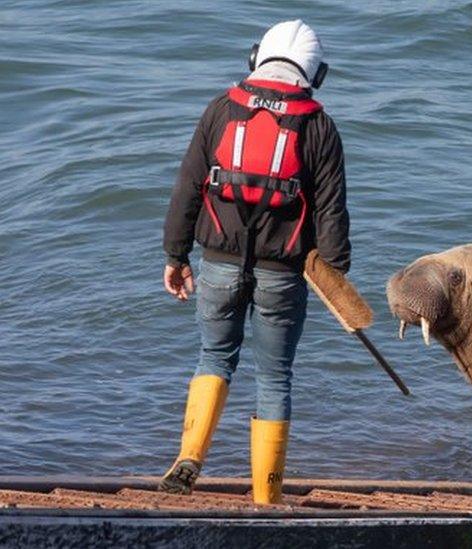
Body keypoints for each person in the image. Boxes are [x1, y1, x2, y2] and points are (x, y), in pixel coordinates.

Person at [159, 20, 350, 504]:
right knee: (274, 375)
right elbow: (331, 212)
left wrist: (176, 254)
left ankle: (189, 457)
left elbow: (187, 188)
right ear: (316, 74)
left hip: (219, 262)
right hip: (282, 274)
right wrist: (334, 271)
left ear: (255, 58)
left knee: (214, 356)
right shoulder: (319, 127)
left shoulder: (222, 109)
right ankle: (267, 498)